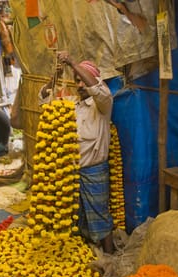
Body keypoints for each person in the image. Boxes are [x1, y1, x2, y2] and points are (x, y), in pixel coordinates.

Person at [40, 52, 115, 254]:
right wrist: (53, 79)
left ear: (94, 81)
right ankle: (86, 251)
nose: (80, 85)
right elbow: (45, 102)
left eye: (83, 81)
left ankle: (109, 255)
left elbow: (99, 90)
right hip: (71, 171)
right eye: (77, 81)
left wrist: (73, 62)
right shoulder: (72, 103)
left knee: (99, 213)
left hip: (94, 170)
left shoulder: (102, 104)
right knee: (77, 214)